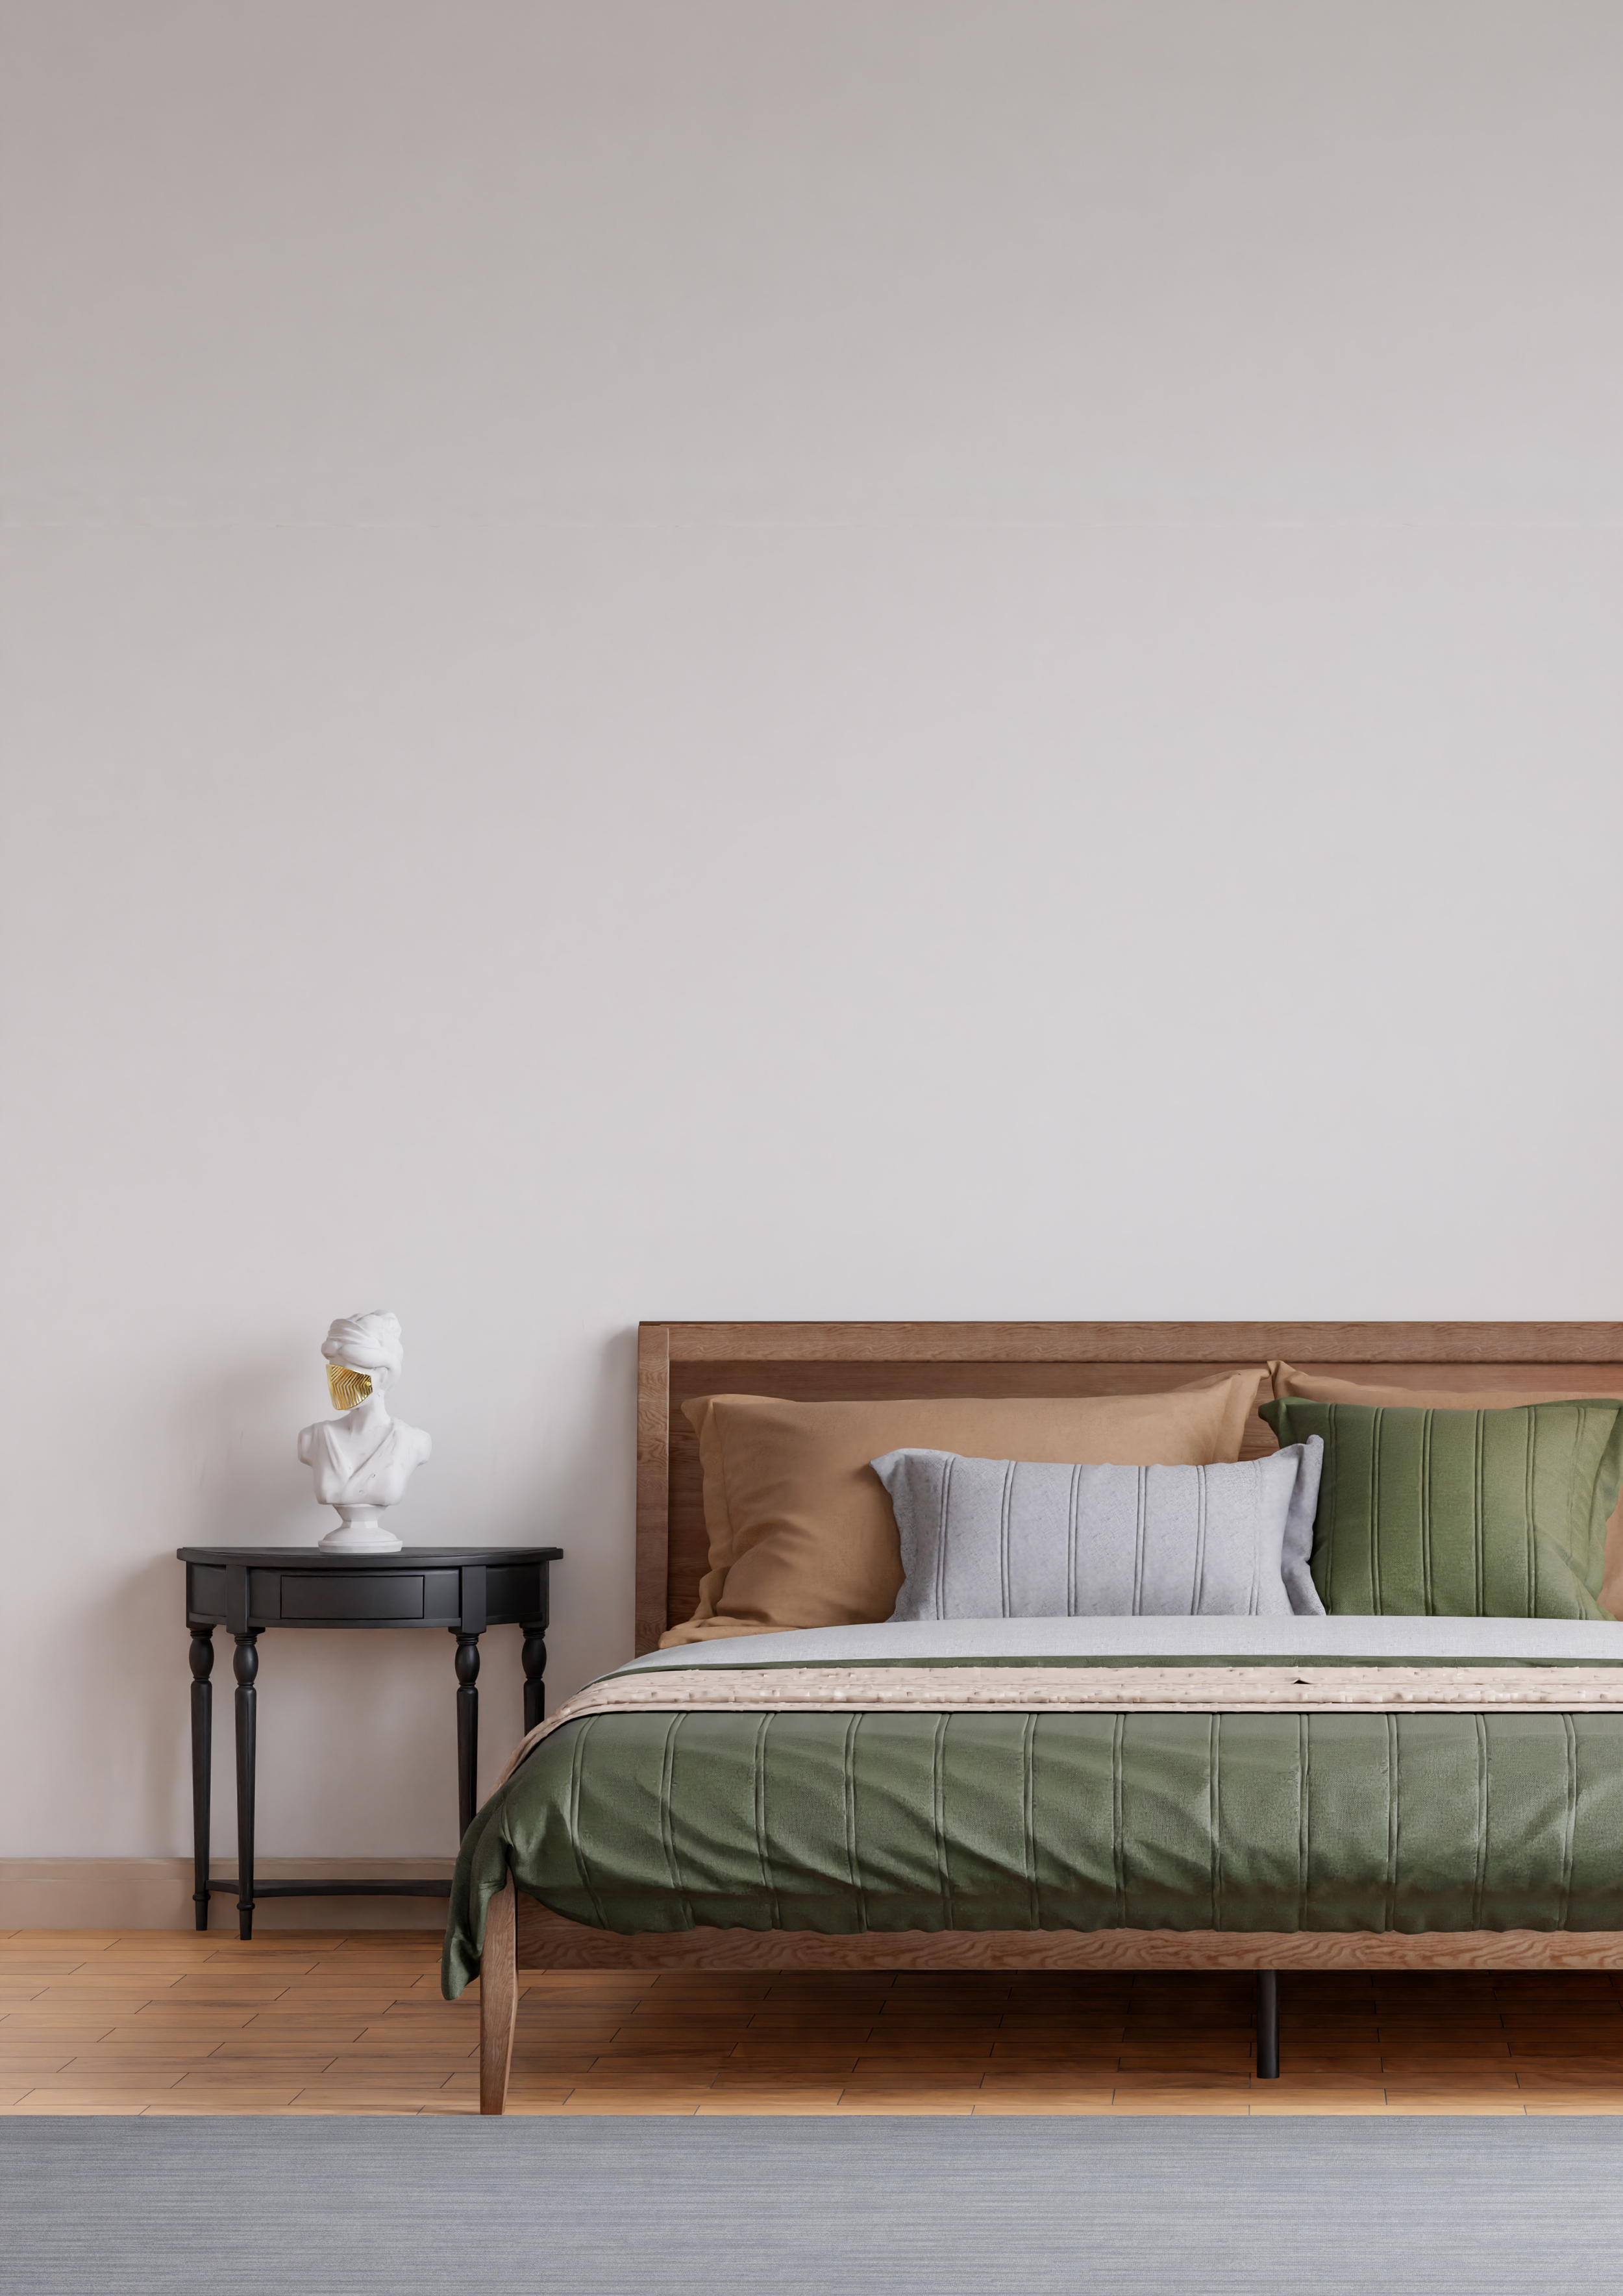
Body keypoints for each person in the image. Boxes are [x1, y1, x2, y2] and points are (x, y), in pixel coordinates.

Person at [297, 1310, 430, 1549]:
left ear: (383, 1374)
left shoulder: (415, 1441)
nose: (339, 1383)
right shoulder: (310, 1439)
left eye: (350, 1373)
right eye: (334, 1372)